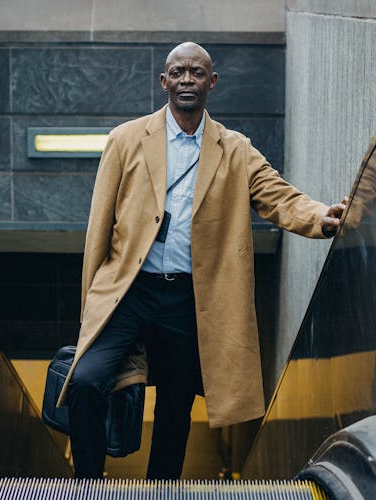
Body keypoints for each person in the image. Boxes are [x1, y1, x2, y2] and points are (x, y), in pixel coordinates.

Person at [56, 42, 347, 479]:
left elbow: (278, 196)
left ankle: (162, 490)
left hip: (189, 298)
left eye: (196, 72)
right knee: (85, 381)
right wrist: (90, 307)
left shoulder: (235, 148)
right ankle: (87, 484)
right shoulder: (126, 139)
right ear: (164, 82)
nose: (186, 80)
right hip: (128, 292)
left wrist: (323, 217)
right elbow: (99, 227)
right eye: (177, 73)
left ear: (212, 82)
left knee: (176, 403)